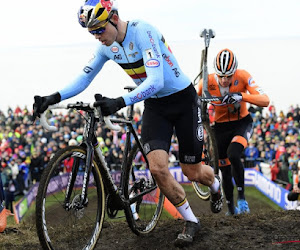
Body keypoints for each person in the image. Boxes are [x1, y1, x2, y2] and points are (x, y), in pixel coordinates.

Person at [32, 0, 223, 246]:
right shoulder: (106, 47)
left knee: (193, 172)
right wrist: (53, 97)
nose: (97, 37)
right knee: (157, 168)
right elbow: (84, 78)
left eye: (99, 29)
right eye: (92, 32)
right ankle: (191, 220)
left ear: (114, 18)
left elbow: (156, 80)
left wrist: (119, 101)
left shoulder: (143, 32)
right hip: (156, 107)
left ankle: (216, 185)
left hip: (183, 101)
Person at [197, 48, 270, 215]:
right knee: (224, 169)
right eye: (221, 76)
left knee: (234, 154)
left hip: (241, 123)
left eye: (228, 76)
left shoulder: (243, 76)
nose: (224, 80)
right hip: (220, 128)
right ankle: (230, 207)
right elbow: (191, 99)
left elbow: (265, 100)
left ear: (234, 71)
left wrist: (242, 96)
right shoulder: (206, 82)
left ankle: (242, 198)